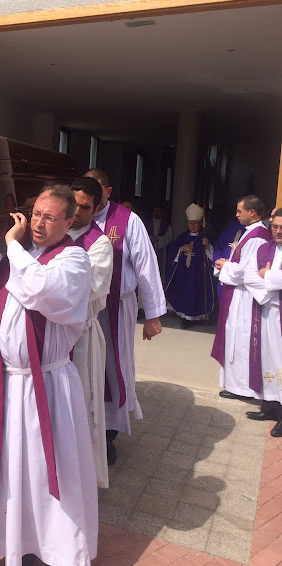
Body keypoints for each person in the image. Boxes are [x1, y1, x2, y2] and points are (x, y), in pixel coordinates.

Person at [0, 184, 97, 566]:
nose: (38, 223)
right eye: (35, 214)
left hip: (44, 388)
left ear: (70, 221)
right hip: (1, 383)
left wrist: (11, 247)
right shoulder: (17, 256)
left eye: (50, 217)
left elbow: (40, 291)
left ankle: (32, 552)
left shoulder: (73, 260)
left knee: (36, 477)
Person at [84, 169, 165, 465]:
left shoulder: (128, 220)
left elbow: (146, 264)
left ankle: (108, 435)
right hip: (81, 312)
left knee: (112, 367)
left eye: (95, 193)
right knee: (84, 367)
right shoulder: (76, 215)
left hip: (116, 308)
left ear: (107, 191)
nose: (87, 202)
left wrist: (154, 315)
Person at [69, 177, 113, 488]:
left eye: (85, 207)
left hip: (80, 336)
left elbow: (90, 288)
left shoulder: (99, 244)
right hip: (49, 336)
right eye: (74, 204)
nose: (78, 212)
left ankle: (80, 479)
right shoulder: (49, 234)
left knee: (80, 403)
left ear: (97, 208)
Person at [211, 195, 271, 400]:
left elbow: (246, 271)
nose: (236, 215)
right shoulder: (252, 233)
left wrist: (224, 266)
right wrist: (228, 264)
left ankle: (244, 388)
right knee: (236, 338)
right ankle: (236, 384)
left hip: (246, 297)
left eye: (240, 211)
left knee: (244, 339)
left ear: (252, 213)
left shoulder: (256, 236)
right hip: (240, 294)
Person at [244, 208, 282, 434]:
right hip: (266, 311)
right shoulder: (263, 248)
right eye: (275, 226)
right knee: (268, 360)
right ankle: (270, 405)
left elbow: (263, 276)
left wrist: (266, 276)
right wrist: (271, 287)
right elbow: (249, 276)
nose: (277, 231)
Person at [165, 203, 215, 329]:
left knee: (196, 293)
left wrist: (207, 246)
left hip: (199, 273)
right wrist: (181, 248)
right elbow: (172, 250)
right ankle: (185, 316)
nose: (192, 226)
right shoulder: (183, 237)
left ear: (200, 224)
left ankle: (196, 317)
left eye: (195, 223)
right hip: (184, 274)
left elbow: (214, 255)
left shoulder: (205, 237)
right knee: (184, 292)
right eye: (190, 223)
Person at [213, 219, 245, 302]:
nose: (237, 215)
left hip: (241, 280)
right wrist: (219, 265)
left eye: (240, 211)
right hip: (224, 273)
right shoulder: (230, 227)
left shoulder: (254, 232)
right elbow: (219, 247)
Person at [145, 205, 173, 283]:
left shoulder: (166, 224)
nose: (157, 213)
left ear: (161, 212)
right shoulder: (147, 223)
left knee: (161, 270)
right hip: (149, 250)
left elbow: (169, 237)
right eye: (155, 211)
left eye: (158, 211)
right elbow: (143, 235)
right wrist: (151, 238)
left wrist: (159, 240)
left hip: (161, 251)